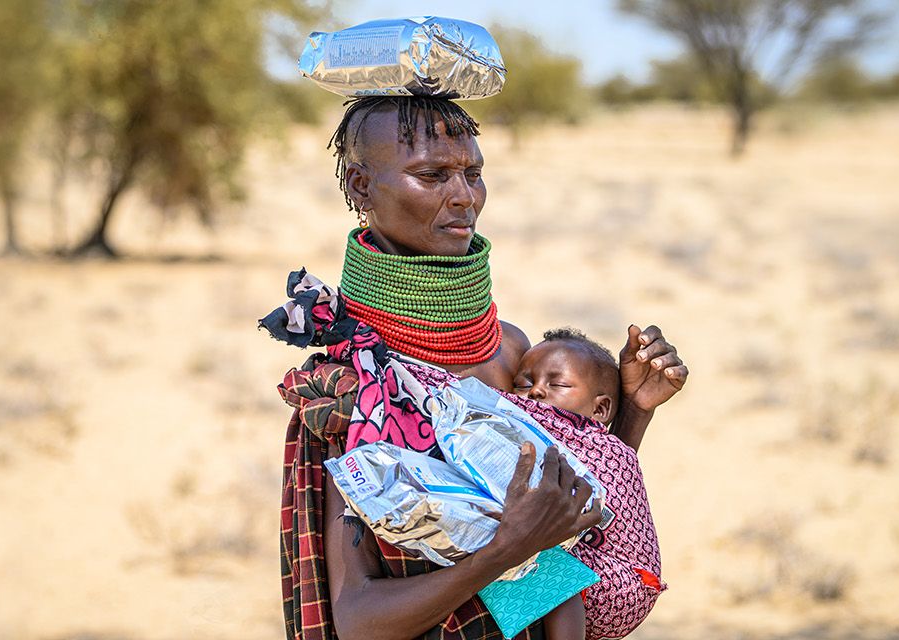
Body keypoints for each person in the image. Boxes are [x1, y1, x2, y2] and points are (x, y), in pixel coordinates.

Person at [272, 96, 688, 640]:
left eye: (473, 173)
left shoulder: (510, 352)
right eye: (432, 174)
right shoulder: (356, 386)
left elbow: (569, 515)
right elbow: (359, 621)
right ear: (360, 185)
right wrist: (505, 550)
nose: (464, 197)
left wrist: (630, 414)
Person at [510, 328, 667, 640]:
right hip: (596, 577)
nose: (536, 392)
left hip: (619, 580)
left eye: (557, 384)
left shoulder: (605, 451)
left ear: (600, 409)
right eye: (523, 384)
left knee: (547, 563)